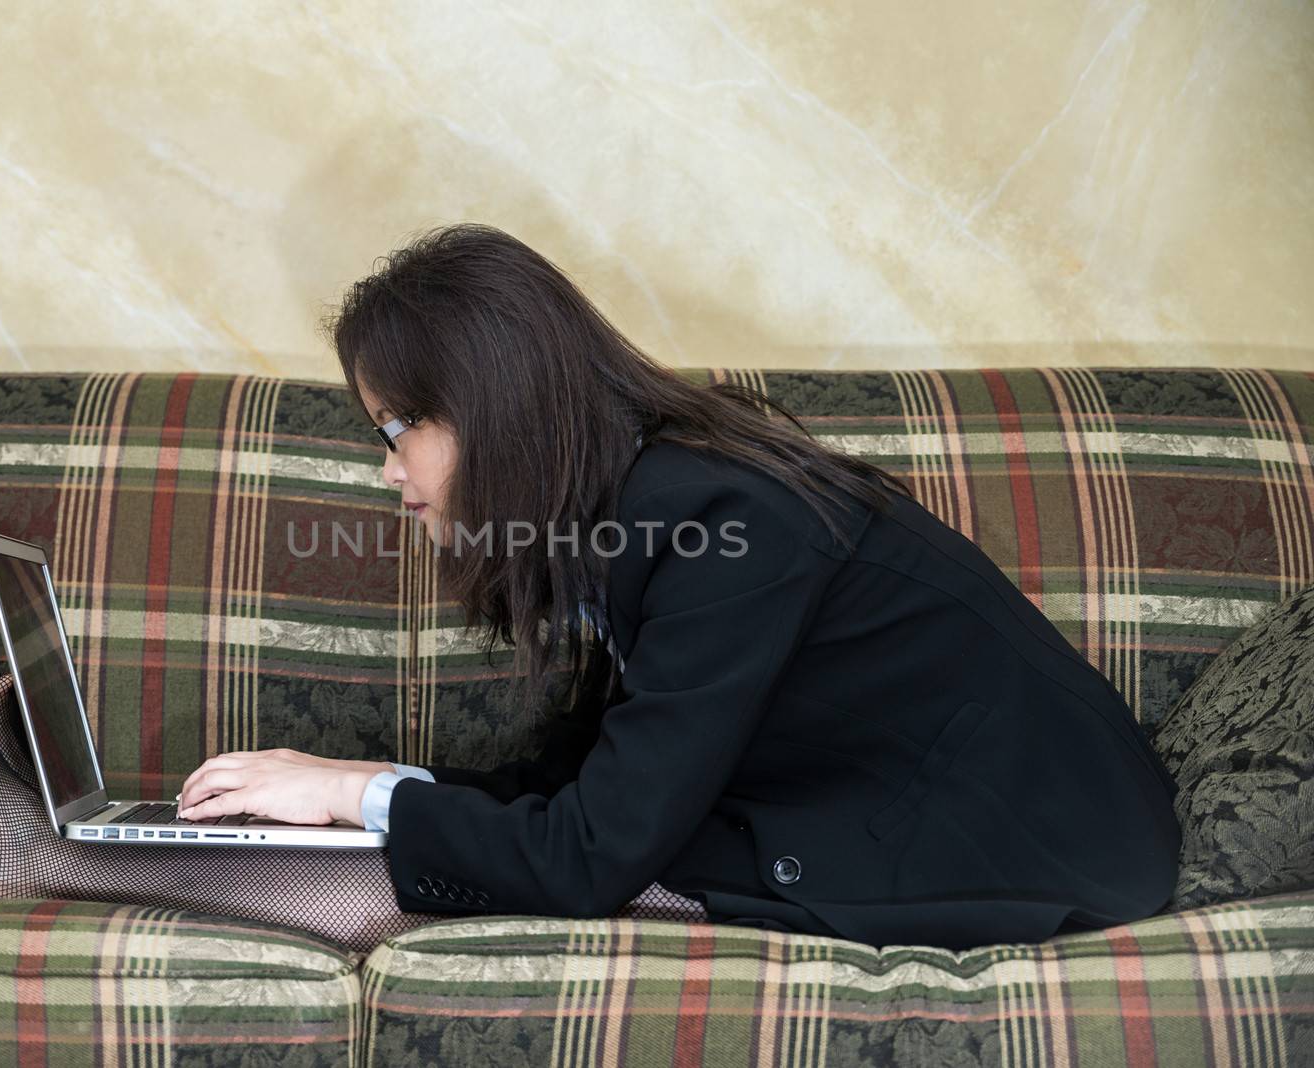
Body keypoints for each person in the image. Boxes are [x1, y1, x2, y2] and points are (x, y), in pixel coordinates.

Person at [176, 222, 1181, 950]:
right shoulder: (643, 503)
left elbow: (587, 855)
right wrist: (351, 792)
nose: (388, 471)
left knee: (466, 884)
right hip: (901, 812)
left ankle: (40, 856)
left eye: (400, 431)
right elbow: (589, 791)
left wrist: (358, 791)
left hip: (1023, 851)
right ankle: (50, 847)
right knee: (444, 860)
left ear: (497, 406)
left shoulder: (717, 521)